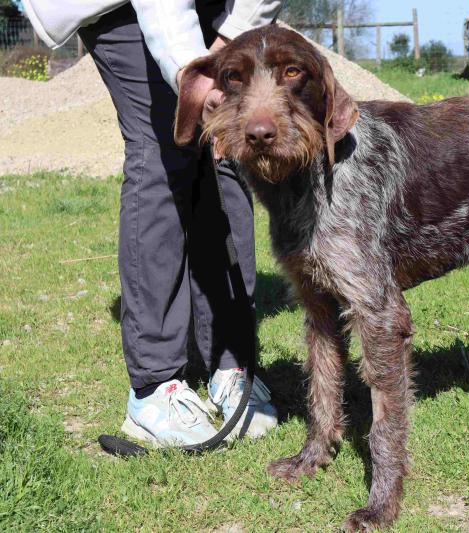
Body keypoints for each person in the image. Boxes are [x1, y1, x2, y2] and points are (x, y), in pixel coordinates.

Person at [20, 0, 281, 447]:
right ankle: (153, 388)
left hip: (215, 5)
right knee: (163, 145)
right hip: (120, 8)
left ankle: (230, 361)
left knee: (228, 147)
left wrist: (232, 36)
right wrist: (191, 74)